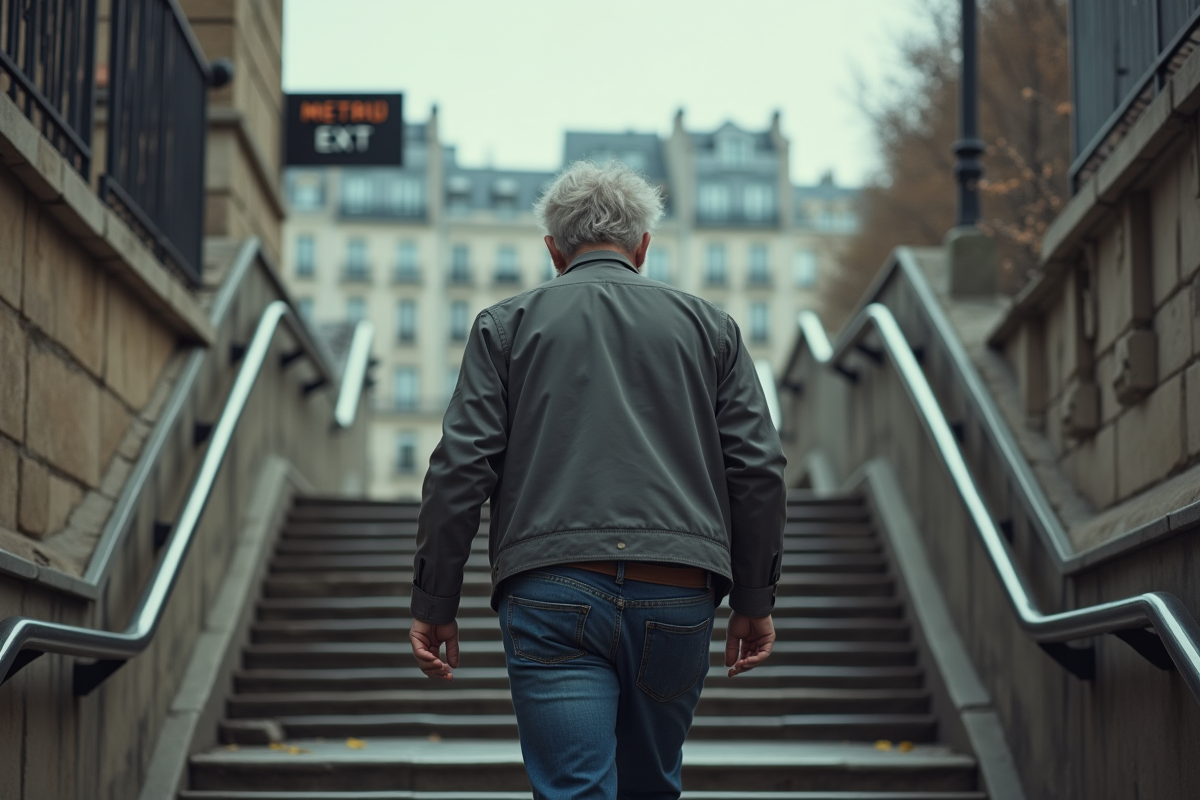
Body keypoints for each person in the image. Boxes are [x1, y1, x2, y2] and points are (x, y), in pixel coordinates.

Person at [408, 160, 787, 800]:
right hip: (677, 586)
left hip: (550, 587)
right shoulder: (711, 329)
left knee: (574, 791)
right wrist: (755, 597)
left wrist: (435, 603)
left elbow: (458, 470)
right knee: (650, 787)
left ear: (553, 250)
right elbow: (758, 467)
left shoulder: (505, 327)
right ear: (643, 247)